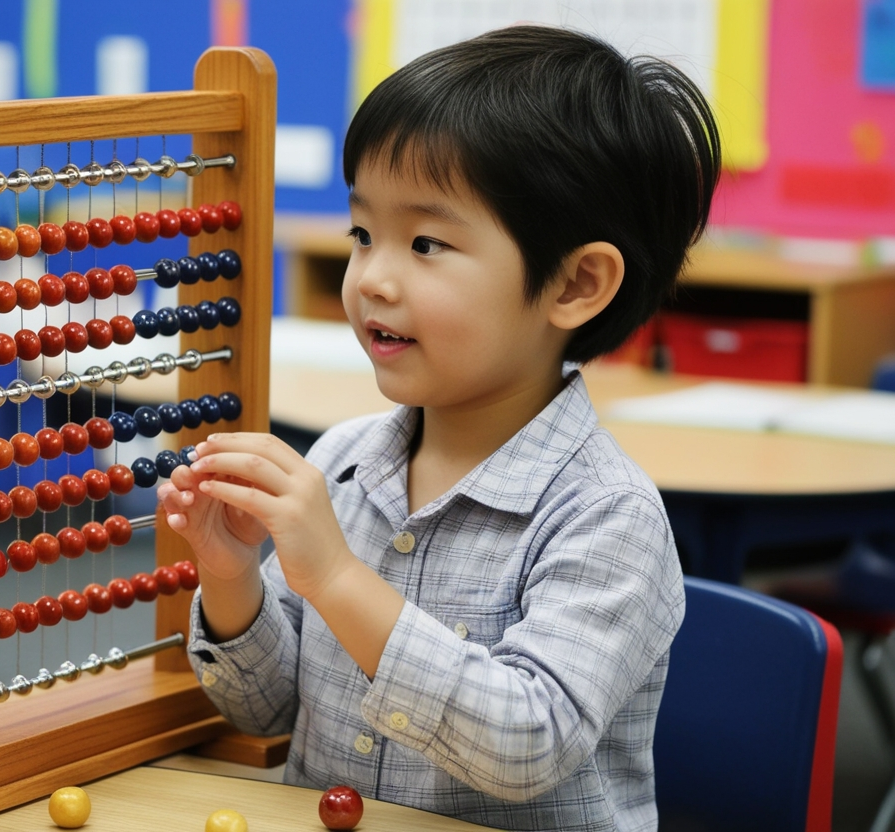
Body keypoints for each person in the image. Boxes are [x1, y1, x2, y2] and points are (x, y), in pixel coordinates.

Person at [159, 25, 718, 832]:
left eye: (425, 242)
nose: (372, 278)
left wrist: (340, 579)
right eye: (362, 234)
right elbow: (266, 710)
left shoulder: (607, 518)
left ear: (576, 283)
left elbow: (526, 743)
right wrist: (232, 575)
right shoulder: (347, 463)